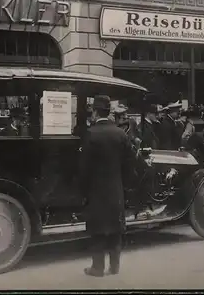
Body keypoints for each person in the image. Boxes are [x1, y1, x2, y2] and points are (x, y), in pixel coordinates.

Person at [78, 95, 135, 277]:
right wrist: (124, 185)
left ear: (95, 112)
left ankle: (97, 268)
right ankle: (115, 266)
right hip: (116, 189)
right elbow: (129, 164)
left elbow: (84, 167)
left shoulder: (91, 134)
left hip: (96, 191)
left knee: (98, 229)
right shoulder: (120, 134)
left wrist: (83, 190)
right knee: (115, 229)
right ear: (108, 112)